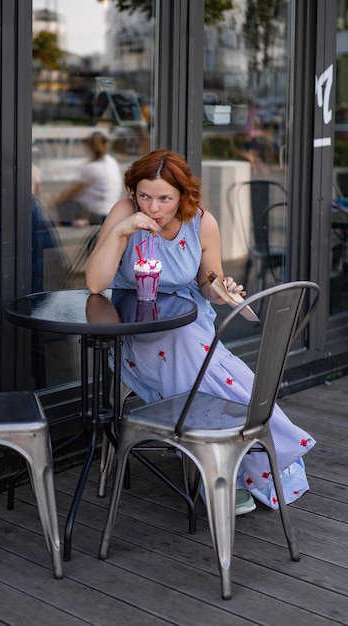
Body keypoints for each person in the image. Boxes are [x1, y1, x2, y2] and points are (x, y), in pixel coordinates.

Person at [85, 149, 315, 513]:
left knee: (197, 352)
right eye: (144, 195)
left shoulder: (201, 223)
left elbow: (208, 284)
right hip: (134, 330)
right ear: (133, 192)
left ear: (183, 196)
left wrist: (224, 291)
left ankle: (224, 464)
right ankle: (238, 458)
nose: (154, 207)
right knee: (207, 363)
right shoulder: (125, 213)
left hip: (190, 326)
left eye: (165, 198)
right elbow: (96, 285)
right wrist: (121, 231)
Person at [53, 131, 123, 225]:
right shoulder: (112, 162)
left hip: (99, 214)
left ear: (89, 147)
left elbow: (72, 192)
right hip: (112, 210)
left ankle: (74, 224)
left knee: (66, 202)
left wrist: (56, 200)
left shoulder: (91, 168)